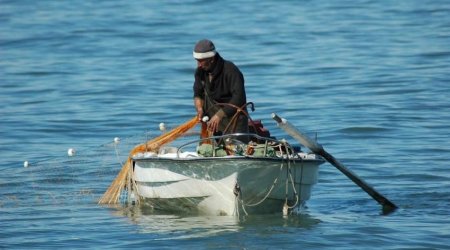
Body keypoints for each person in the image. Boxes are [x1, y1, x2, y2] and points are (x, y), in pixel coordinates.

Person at [192, 39, 249, 138]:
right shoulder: (200, 72)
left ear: (212, 59)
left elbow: (239, 98)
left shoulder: (230, 70)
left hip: (234, 122)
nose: (199, 65)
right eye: (197, 61)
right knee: (206, 150)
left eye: (201, 61)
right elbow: (198, 94)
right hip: (211, 123)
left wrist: (219, 115)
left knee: (236, 149)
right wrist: (199, 109)